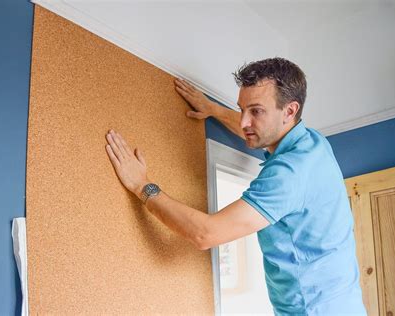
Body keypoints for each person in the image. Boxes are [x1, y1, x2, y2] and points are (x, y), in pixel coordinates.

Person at [105, 57, 366, 315]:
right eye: (242, 109)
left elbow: (206, 234)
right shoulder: (312, 143)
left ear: (289, 110)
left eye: (256, 111)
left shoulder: (288, 174)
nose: (244, 122)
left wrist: (142, 185)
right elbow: (260, 131)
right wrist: (214, 110)